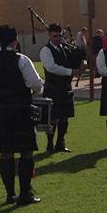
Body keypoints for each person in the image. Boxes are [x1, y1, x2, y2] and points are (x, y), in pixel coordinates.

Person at [0, 25, 44, 205]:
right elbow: (35, 84)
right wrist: (37, 89)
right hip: (20, 109)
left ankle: (10, 194)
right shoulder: (22, 59)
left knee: (5, 153)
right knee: (26, 152)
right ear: (15, 41)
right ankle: (25, 194)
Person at [39, 22, 79, 153]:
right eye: (54, 36)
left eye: (59, 35)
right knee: (52, 118)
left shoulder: (65, 48)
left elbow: (73, 61)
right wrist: (70, 71)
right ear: (49, 35)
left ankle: (60, 143)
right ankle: (50, 144)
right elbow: (51, 67)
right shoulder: (45, 50)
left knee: (64, 117)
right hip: (53, 87)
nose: (57, 38)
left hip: (65, 87)